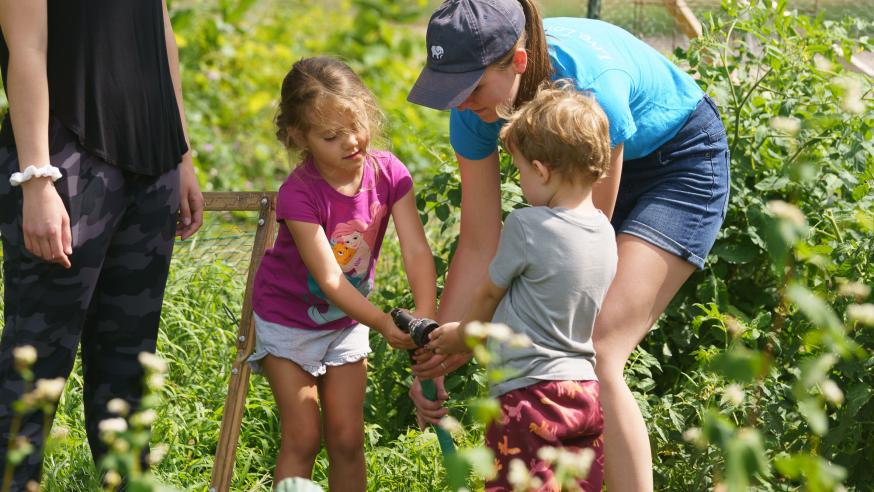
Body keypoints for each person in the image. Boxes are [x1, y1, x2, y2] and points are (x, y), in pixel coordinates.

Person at [405, 1, 730, 490]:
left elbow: (585, 241)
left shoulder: (588, 84)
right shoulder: (473, 106)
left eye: (471, 87)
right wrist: (438, 356)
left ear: (518, 61)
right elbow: (477, 241)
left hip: (679, 161)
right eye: (451, 89)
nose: (461, 103)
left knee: (597, 347)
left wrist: (479, 330)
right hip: (586, 174)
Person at [0, 0, 202, 488]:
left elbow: (160, 27)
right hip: (65, 163)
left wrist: (182, 154)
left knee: (129, 366)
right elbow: (26, 47)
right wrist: (37, 179)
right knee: (34, 365)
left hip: (152, 160)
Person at [248, 56, 436, 490]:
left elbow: (415, 250)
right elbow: (331, 280)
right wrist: (383, 322)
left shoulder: (389, 174)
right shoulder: (299, 194)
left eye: (356, 125)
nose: (351, 142)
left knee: (348, 438)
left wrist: (425, 318)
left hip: (346, 323)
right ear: (300, 137)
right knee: (303, 437)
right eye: (331, 136)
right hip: (287, 321)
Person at [425, 83, 617, 491]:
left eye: (521, 170)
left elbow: (489, 293)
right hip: (585, 392)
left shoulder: (527, 225)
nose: (522, 181)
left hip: (530, 396)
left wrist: (462, 334)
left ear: (542, 170)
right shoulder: (605, 232)